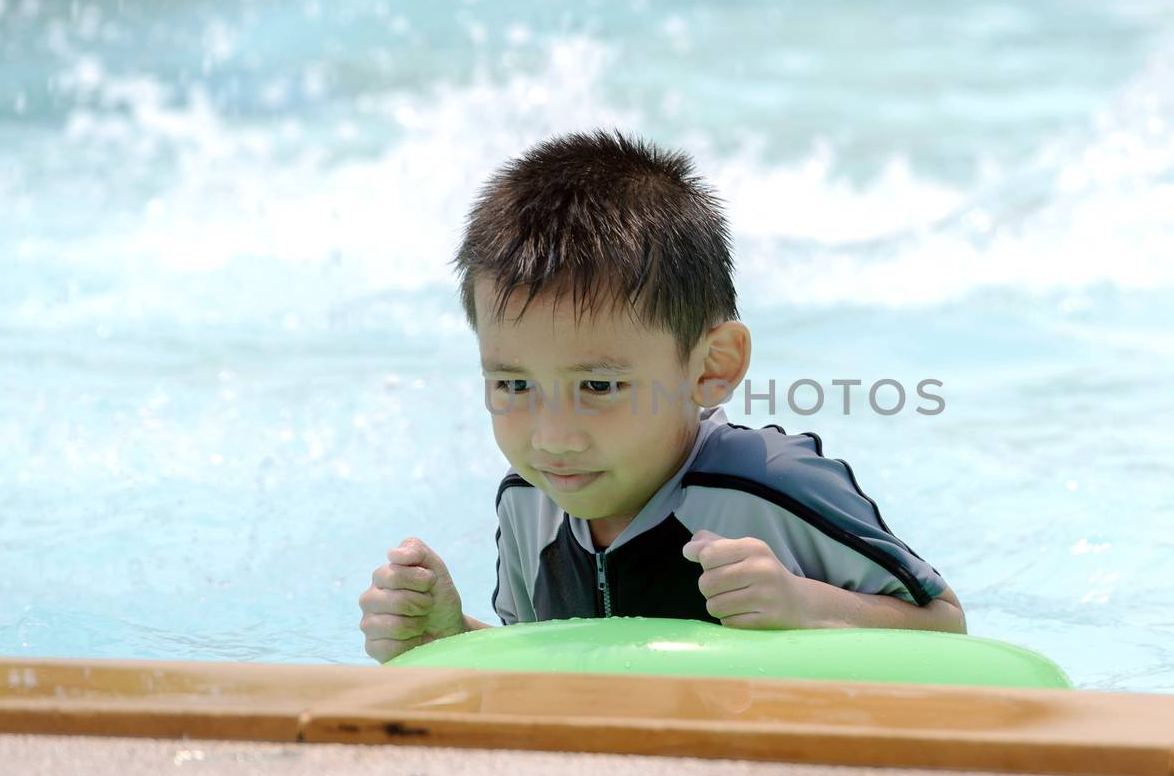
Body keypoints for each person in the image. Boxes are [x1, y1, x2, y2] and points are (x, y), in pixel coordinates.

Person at [359, 131, 965, 662]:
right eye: (514, 384)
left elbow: (946, 627)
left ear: (711, 368)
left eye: (598, 385)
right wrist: (445, 637)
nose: (552, 438)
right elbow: (550, 665)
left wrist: (805, 604)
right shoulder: (530, 503)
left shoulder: (770, 488)